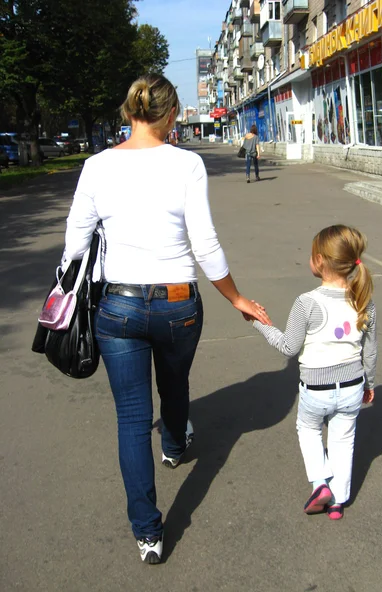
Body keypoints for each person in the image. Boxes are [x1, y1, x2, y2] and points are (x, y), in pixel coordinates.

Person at [64, 73, 271, 565]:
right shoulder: (186, 164)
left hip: (117, 305)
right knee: (174, 384)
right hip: (178, 301)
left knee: (132, 419)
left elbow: (74, 244)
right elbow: (205, 244)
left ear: (129, 111)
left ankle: (148, 534)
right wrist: (236, 298)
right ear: (172, 114)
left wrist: (85, 290)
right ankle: (176, 445)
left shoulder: (95, 166)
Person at [252, 225, 377, 520]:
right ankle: (338, 501)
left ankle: (320, 483)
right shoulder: (364, 301)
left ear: (319, 261)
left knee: (307, 429)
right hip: (352, 386)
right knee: (343, 439)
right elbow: (369, 351)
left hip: (316, 390)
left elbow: (288, 347)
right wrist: (369, 383)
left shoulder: (307, 302)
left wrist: (258, 322)